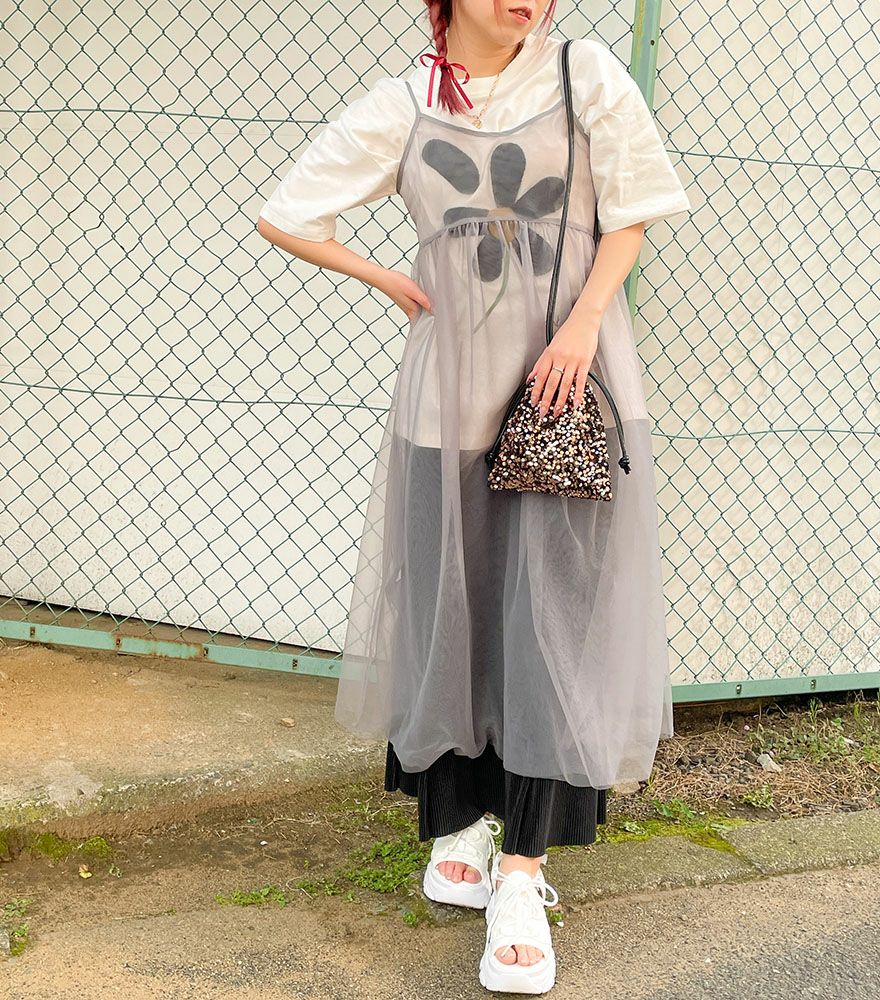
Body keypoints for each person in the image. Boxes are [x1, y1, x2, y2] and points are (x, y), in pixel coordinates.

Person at [258, 1, 691, 993]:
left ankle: (521, 875)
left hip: (561, 396)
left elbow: (629, 213)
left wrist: (582, 323)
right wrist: (388, 279)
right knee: (449, 617)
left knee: (551, 628)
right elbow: (287, 214)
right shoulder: (406, 102)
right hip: (444, 400)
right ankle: (458, 823)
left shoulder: (583, 76)